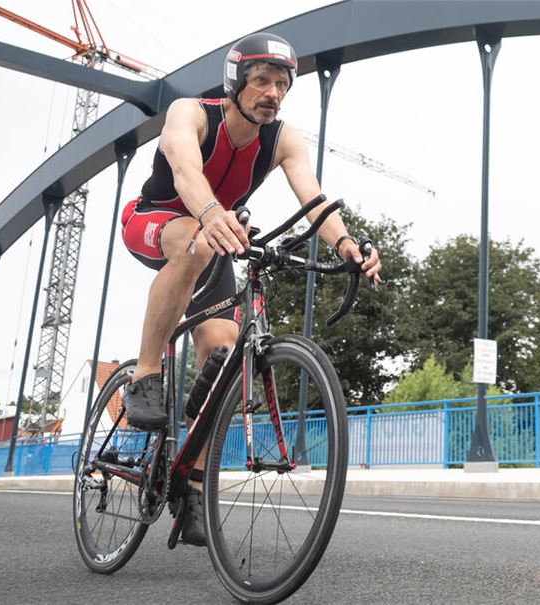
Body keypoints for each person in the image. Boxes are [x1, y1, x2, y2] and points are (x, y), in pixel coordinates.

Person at [118, 32, 381, 545]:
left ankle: (190, 479)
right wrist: (212, 212)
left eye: (282, 85)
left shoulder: (284, 138)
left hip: (215, 238)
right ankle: (146, 374)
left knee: (224, 358)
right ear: (236, 83)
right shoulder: (191, 113)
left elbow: (314, 201)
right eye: (262, 81)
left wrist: (346, 243)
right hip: (156, 220)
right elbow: (185, 168)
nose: (273, 93)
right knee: (195, 242)